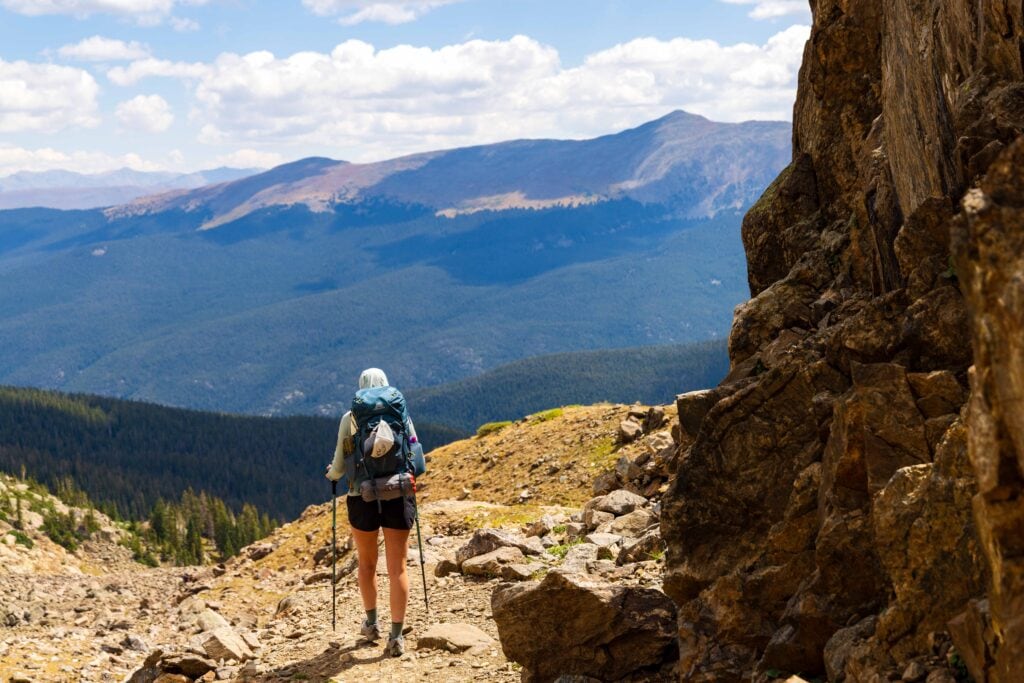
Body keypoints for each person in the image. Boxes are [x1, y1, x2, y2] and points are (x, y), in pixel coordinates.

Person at [326, 368, 418, 657]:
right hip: (398, 492)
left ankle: (372, 623)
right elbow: (420, 461)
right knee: (398, 568)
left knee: (366, 565)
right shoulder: (400, 412)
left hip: (361, 497)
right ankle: (396, 636)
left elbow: (340, 467)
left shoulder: (349, 418)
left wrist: (331, 474)